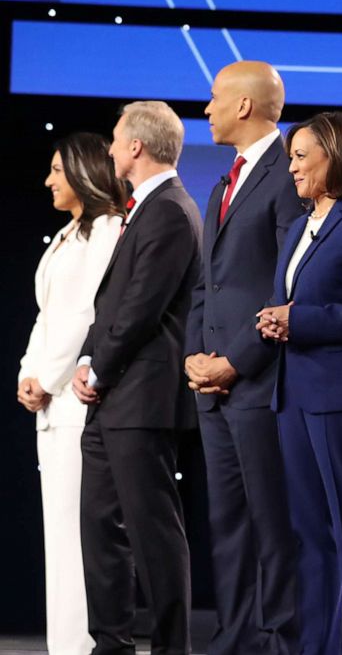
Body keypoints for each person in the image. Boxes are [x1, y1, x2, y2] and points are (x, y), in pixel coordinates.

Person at [71, 101, 202, 654]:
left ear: (136, 148)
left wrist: (98, 368)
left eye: (115, 140)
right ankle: (111, 644)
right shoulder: (143, 209)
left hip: (143, 398)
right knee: (101, 530)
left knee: (153, 534)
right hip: (112, 397)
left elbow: (143, 308)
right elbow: (112, 305)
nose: (109, 149)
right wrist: (86, 360)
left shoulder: (170, 210)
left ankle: (172, 647)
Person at [257, 111, 342, 655]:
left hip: (341, 398)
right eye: (291, 157)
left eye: (301, 155)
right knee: (311, 539)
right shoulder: (299, 225)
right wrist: (274, 319)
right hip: (294, 396)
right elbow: (293, 300)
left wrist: (300, 320)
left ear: (336, 156)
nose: (292, 168)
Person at [184, 60, 302, 655]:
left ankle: (278, 640)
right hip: (213, 386)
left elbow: (289, 287)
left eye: (213, 99)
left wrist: (234, 362)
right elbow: (206, 285)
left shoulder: (291, 175)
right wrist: (194, 358)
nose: (206, 109)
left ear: (245, 106)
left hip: (260, 383)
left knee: (272, 525)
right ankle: (232, 641)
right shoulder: (220, 183)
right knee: (227, 526)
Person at [17, 132, 125, 655]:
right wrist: (26, 374)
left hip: (77, 403)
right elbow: (48, 315)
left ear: (82, 172)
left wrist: (51, 376)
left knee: (81, 537)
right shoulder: (68, 235)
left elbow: (86, 314)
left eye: (57, 170)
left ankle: (83, 645)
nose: (49, 180)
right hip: (51, 405)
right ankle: (64, 645)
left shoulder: (107, 230)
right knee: (58, 536)